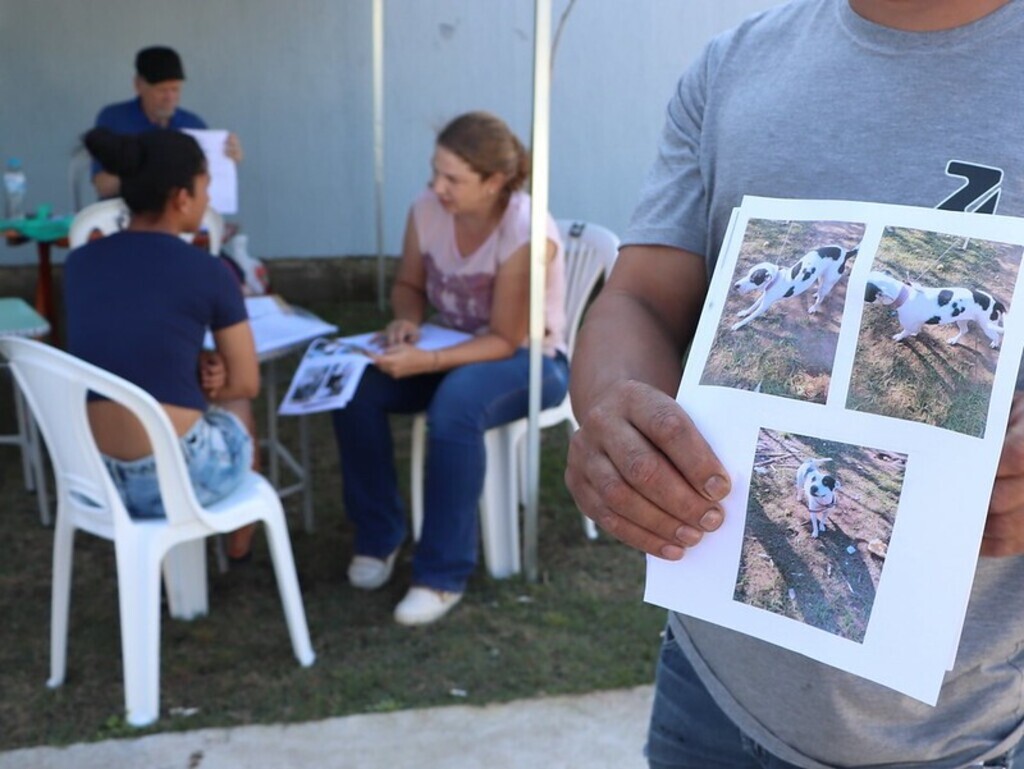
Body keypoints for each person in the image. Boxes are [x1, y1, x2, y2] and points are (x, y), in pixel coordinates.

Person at [564, 1, 1024, 767]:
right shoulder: (730, 69)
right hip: (711, 693)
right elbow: (639, 295)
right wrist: (618, 413)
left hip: (979, 726)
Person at [331, 111, 569, 626]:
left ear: (496, 181)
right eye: (434, 173)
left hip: (531, 362)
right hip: (449, 345)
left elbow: (505, 339)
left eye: (453, 179)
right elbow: (410, 287)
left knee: (457, 403)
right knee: (355, 386)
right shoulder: (426, 209)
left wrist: (428, 360)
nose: (438, 187)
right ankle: (379, 534)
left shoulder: (526, 227)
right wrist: (406, 323)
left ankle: (442, 574)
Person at [66, 127, 258, 559]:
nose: (209, 198)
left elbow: (124, 342)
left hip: (94, 479)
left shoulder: (79, 264)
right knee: (238, 407)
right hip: (179, 479)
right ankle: (239, 540)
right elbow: (246, 382)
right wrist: (213, 384)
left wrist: (193, 364)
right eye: (205, 185)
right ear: (181, 197)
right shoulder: (209, 271)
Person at [91, 46, 243, 200]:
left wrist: (226, 161)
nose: (170, 97)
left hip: (180, 216)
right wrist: (155, 170)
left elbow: (206, 184)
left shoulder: (193, 124)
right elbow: (103, 186)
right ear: (138, 85)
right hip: (124, 215)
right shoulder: (114, 119)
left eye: (175, 89)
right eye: (162, 90)